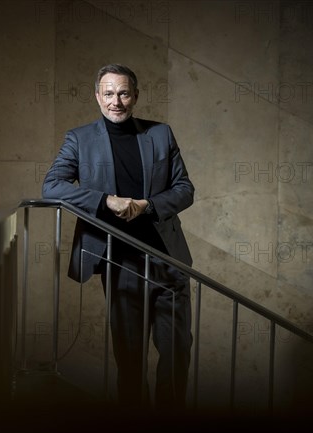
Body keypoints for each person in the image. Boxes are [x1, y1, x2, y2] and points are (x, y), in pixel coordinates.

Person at [42, 64, 194, 410]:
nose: (116, 102)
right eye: (108, 94)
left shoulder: (161, 134)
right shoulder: (79, 139)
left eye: (124, 93)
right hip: (118, 261)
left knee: (176, 353)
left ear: (136, 96)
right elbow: (51, 186)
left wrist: (148, 205)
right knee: (130, 357)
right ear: (97, 97)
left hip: (168, 260)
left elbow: (185, 189)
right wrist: (103, 200)